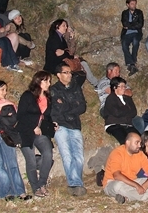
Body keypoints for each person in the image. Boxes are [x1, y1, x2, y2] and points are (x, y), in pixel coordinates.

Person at [0, 80, 31, 201]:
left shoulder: (9, 104)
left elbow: (12, 120)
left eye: (6, 89)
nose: (5, 92)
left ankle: (20, 192)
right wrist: (4, 118)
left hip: (8, 136)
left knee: (12, 164)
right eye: (2, 89)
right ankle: (6, 192)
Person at [50, 63, 88, 197]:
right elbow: (55, 109)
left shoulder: (75, 88)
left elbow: (82, 106)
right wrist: (72, 107)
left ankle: (75, 184)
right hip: (61, 125)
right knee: (67, 155)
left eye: (70, 72)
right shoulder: (53, 90)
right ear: (59, 75)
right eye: (66, 72)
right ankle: (75, 184)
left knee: (78, 155)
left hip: (75, 125)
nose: (69, 75)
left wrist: (66, 106)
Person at [16, 71, 55, 198]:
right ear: (38, 81)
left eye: (49, 81)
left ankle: (42, 183)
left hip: (40, 132)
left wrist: (53, 124)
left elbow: (46, 117)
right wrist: (33, 126)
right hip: (25, 132)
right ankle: (35, 187)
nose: (49, 83)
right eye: (46, 81)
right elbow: (21, 115)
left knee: (48, 153)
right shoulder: (28, 96)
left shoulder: (48, 98)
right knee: (31, 160)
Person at [102, 132, 148, 204]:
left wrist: (147, 183)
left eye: (140, 143)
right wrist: (136, 186)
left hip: (132, 182)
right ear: (128, 143)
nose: (139, 145)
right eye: (137, 143)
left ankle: (128, 198)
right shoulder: (117, 153)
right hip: (112, 183)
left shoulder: (140, 154)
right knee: (118, 186)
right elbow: (116, 175)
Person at [103, 77, 140, 144]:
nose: (124, 88)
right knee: (125, 142)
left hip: (128, 125)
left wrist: (123, 110)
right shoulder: (110, 98)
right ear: (114, 87)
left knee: (139, 141)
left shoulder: (128, 98)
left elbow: (134, 113)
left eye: (124, 86)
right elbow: (116, 113)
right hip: (114, 125)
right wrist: (127, 108)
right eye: (122, 86)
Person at [120, 0, 144, 76]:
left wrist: (129, 26)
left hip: (137, 33)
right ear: (127, 5)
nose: (134, 5)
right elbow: (124, 24)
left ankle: (132, 62)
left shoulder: (139, 12)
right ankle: (131, 64)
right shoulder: (125, 13)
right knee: (124, 44)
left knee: (135, 41)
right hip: (126, 33)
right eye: (132, 4)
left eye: (135, 3)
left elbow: (140, 25)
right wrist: (133, 25)